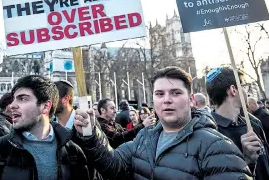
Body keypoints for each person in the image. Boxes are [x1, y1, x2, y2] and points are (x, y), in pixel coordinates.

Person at [73, 66, 252, 179]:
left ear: (191, 100)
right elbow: (113, 165)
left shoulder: (218, 147)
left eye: (175, 93)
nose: (167, 100)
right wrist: (90, 133)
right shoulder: (144, 138)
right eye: (160, 94)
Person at [0, 75, 91, 180]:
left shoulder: (74, 153)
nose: (11, 106)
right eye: (13, 99)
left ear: (46, 106)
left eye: (22, 99)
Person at [206, 67, 269, 180]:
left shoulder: (253, 123)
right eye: (243, 87)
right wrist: (246, 161)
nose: (246, 92)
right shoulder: (209, 134)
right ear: (233, 90)